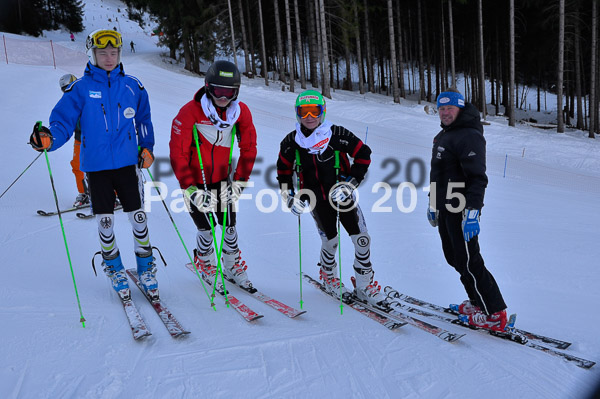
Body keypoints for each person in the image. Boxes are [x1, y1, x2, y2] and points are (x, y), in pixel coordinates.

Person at [29, 29, 158, 299]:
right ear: (92, 54)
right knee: (106, 220)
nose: (109, 58)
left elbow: (143, 119)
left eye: (114, 52)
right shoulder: (81, 89)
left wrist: (146, 147)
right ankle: (114, 268)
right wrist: (49, 138)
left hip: (126, 165)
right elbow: (62, 121)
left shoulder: (133, 85)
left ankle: (146, 267)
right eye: (102, 53)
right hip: (97, 167)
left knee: (138, 217)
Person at [276, 89, 387, 308]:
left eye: (314, 111)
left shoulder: (337, 134)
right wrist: (289, 196)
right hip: (316, 199)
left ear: (323, 112)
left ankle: (364, 284)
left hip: (342, 195)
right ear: (297, 114)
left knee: (362, 240)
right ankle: (328, 275)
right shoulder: (291, 142)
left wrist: (351, 183)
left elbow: (363, 154)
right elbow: (283, 171)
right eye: (304, 112)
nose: (309, 118)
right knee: (331, 241)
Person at [169, 60, 257, 291]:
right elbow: (177, 152)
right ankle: (206, 261)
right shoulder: (190, 112)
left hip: (221, 178)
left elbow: (249, 147)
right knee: (206, 228)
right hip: (195, 182)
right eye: (218, 90)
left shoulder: (240, 112)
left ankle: (231, 264)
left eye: (229, 92)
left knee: (229, 227)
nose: (223, 97)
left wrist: (240, 180)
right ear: (208, 87)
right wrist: (188, 187)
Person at [428, 88, 507, 331]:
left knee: (470, 261)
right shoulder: (443, 135)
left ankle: (495, 312)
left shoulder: (469, 136)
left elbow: (477, 178)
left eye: (449, 108)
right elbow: (438, 174)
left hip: (462, 208)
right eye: (441, 108)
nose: (444, 112)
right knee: (455, 258)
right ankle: (476, 302)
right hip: (445, 207)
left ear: (460, 109)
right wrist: (433, 204)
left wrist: (472, 211)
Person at [58, 73, 90, 208]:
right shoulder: (67, 103)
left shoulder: (88, 97)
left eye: (70, 87)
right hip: (79, 139)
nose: (68, 91)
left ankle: (114, 194)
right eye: (65, 89)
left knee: (104, 165)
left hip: (95, 138)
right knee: (77, 166)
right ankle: (84, 193)